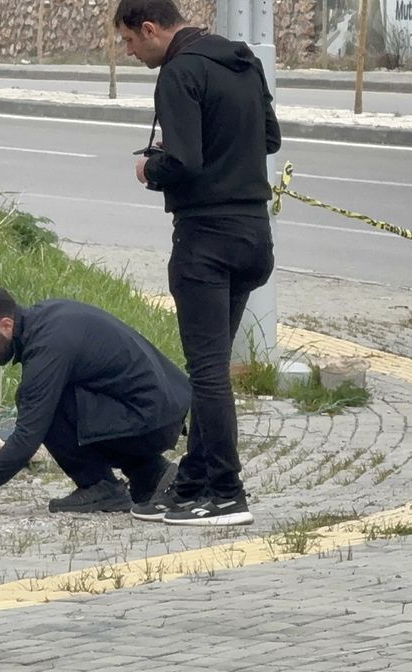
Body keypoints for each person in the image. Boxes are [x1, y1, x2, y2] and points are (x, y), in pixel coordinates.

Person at [116, 0, 280, 526]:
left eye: (129, 41)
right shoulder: (243, 60)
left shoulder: (178, 73)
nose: (129, 52)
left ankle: (227, 493)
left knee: (208, 374)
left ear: (150, 28)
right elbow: (269, 139)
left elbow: (183, 163)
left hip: (206, 240)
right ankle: (192, 482)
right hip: (254, 236)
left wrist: (149, 168)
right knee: (213, 369)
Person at [0, 282, 191, 517]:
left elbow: (28, 436)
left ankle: (100, 486)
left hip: (152, 421)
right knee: (46, 396)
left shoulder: (47, 346)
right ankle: (151, 475)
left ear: (6, 325)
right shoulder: (46, 320)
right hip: (161, 413)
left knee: (42, 405)